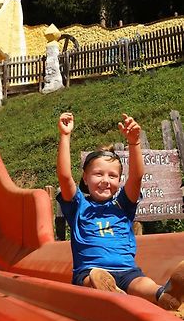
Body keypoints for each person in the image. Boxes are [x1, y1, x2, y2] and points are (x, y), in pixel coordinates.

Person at [56, 112, 184, 310]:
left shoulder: (122, 205)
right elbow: (64, 177)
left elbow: (136, 177)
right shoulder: (78, 206)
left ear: (118, 181)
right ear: (85, 178)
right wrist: (65, 136)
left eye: (112, 176)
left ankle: (165, 295)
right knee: (92, 280)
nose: (106, 180)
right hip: (91, 271)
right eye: (98, 174)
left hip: (127, 271)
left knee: (144, 284)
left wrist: (134, 143)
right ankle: (110, 292)